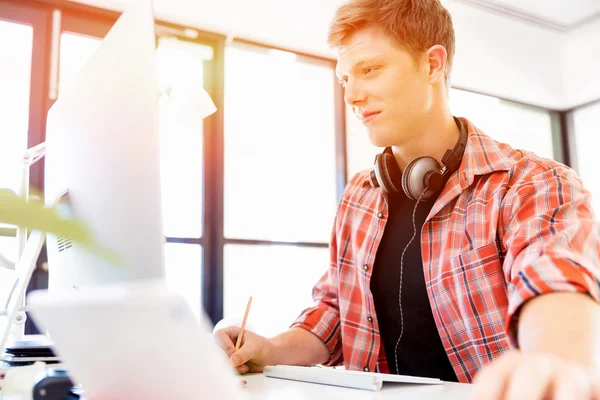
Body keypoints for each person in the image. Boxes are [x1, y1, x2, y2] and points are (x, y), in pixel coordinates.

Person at [215, 0, 600, 398]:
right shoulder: (358, 197)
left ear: (433, 64)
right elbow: (335, 311)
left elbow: (554, 276)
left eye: (369, 70)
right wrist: (271, 349)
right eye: (345, 79)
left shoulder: (531, 183)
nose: (352, 95)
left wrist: (556, 359)